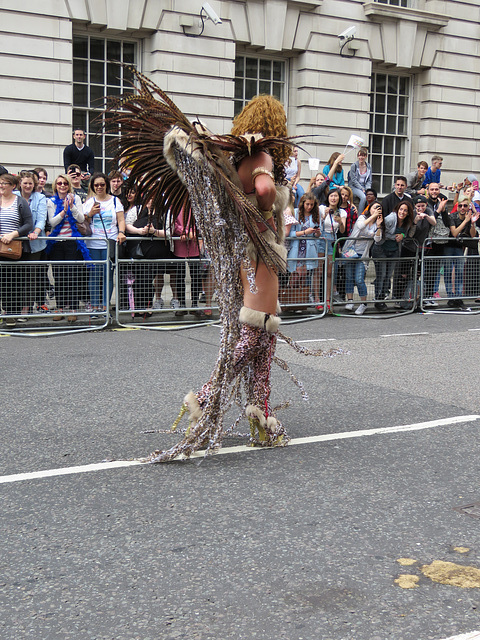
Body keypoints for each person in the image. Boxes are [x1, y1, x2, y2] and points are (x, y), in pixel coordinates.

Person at [108, 78, 343, 461]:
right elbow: (264, 191)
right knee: (258, 326)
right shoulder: (261, 158)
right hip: (261, 249)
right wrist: (267, 198)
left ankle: (261, 416)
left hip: (245, 251)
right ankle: (205, 394)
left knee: (265, 335)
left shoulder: (237, 160)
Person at [46, 174, 88, 323]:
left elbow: (81, 219)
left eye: (65, 183)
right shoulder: (51, 201)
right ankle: (60, 308)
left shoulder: (75, 199)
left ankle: (73, 309)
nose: (62, 186)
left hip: (72, 242)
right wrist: (64, 211)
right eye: (59, 183)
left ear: (69, 185)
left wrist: (71, 207)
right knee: (59, 277)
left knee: (72, 277)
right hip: (57, 243)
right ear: (55, 186)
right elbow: (52, 222)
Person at [83, 173, 126, 313]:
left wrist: (121, 232)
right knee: (94, 276)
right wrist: (90, 214)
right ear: (92, 186)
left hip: (110, 243)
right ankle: (95, 307)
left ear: (106, 185)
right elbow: (83, 223)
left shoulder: (115, 201)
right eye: (96, 185)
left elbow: (121, 220)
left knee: (108, 276)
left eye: (102, 184)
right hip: (93, 243)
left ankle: (105, 306)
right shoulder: (89, 202)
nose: (99, 187)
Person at [0, 174, 33, 327]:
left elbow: (28, 224)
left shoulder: (20, 202)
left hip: (15, 248)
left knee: (13, 282)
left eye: (4, 183)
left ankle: (11, 313)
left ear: (13, 186)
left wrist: (13, 234)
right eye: (0, 183)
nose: (1, 185)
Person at [372, 200, 415, 309]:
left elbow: (407, 233)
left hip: (394, 251)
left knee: (388, 276)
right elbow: (380, 232)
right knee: (381, 276)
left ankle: (382, 297)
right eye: (401, 209)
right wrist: (396, 237)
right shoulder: (391, 218)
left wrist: (402, 235)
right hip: (381, 249)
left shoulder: (407, 222)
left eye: (405, 210)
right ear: (397, 209)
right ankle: (378, 300)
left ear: (408, 213)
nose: (403, 212)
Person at [16, 171, 48, 317]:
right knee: (15, 277)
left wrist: (35, 232)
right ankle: (12, 309)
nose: (28, 186)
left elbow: (41, 219)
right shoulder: (14, 196)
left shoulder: (40, 198)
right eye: (25, 183)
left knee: (30, 278)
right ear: (20, 184)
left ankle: (25, 310)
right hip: (16, 242)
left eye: (30, 183)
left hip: (35, 243)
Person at [343, 200, 382, 315]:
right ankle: (350, 301)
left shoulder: (377, 223)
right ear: (369, 208)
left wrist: (379, 226)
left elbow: (377, 239)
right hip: (351, 251)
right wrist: (372, 217)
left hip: (363, 255)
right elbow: (360, 226)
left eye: (378, 209)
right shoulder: (362, 218)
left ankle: (363, 303)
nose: (376, 210)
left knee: (359, 279)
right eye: (374, 208)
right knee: (349, 277)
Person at [287, 192, 322, 309]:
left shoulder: (316, 214)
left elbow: (318, 234)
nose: (309, 207)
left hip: (309, 249)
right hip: (296, 249)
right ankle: (291, 300)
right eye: (307, 204)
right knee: (294, 276)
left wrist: (317, 233)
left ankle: (300, 302)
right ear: (302, 203)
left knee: (304, 276)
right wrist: (304, 233)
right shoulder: (295, 213)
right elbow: (289, 233)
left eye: (312, 204)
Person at [444, 194, 479, 308]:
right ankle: (450, 297)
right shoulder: (453, 216)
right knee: (448, 272)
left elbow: (472, 235)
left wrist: (472, 223)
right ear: (457, 207)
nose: (462, 208)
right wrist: (466, 221)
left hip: (459, 247)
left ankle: (458, 297)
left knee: (459, 272)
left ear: (468, 206)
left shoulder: (469, 217)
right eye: (460, 206)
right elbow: (454, 233)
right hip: (449, 246)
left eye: (465, 206)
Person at [319, 188, 347, 308]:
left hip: (333, 239)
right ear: (328, 197)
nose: (333, 198)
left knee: (329, 272)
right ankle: (316, 298)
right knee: (318, 271)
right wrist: (324, 215)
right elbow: (317, 225)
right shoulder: (321, 208)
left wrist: (340, 221)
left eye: (336, 196)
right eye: (331, 196)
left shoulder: (342, 212)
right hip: (321, 238)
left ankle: (328, 300)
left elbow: (342, 230)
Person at [347, 147, 372, 214]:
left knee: (371, 197)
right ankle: (360, 215)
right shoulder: (354, 166)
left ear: (366, 156)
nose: (361, 157)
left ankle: (368, 214)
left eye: (363, 155)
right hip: (354, 186)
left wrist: (367, 189)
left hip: (364, 186)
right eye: (360, 155)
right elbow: (353, 180)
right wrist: (361, 188)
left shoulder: (369, 166)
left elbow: (369, 180)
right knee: (363, 197)